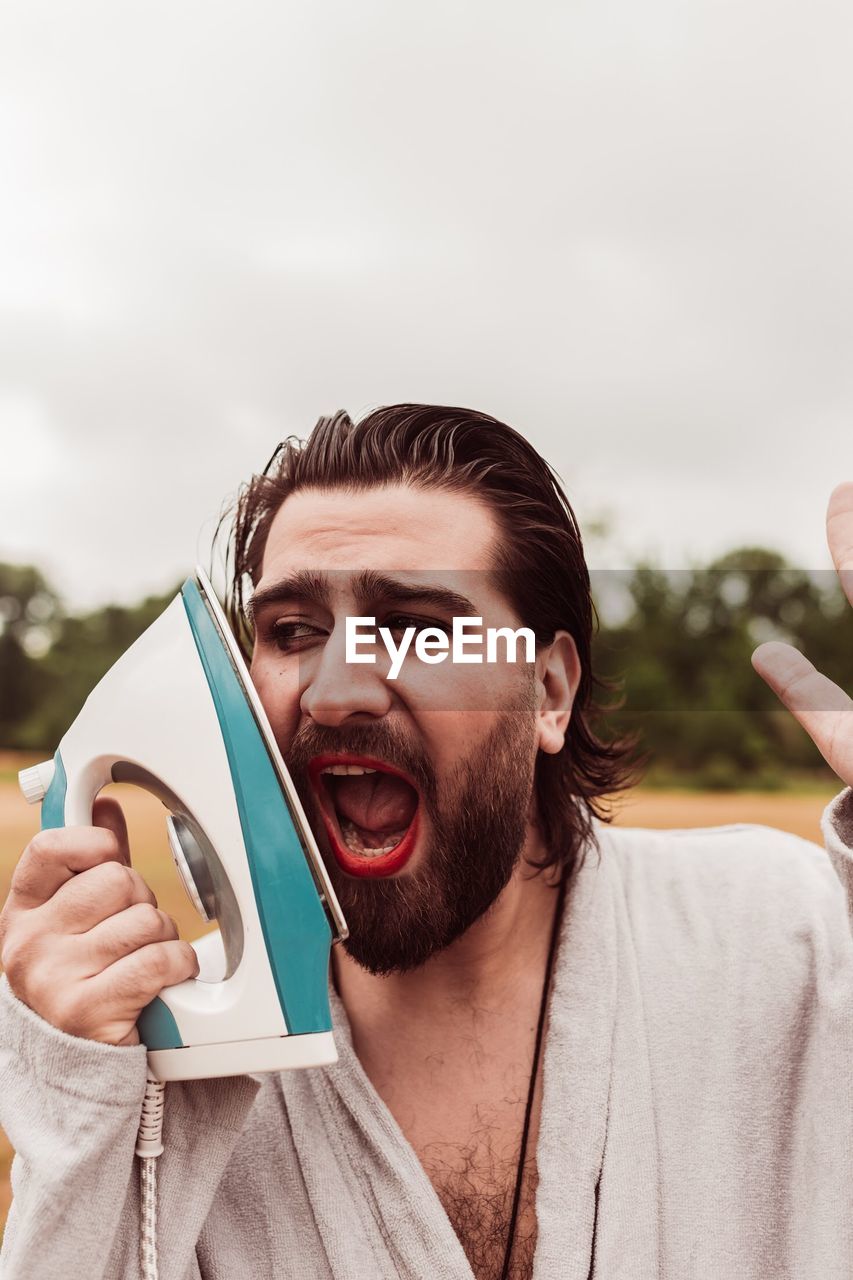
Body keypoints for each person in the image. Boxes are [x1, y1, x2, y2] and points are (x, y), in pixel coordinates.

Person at [0, 404, 851, 1280]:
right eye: (293, 632)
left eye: (410, 624)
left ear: (548, 691)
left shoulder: (789, 937)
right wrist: (77, 1108)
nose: (335, 692)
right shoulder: (171, 1044)